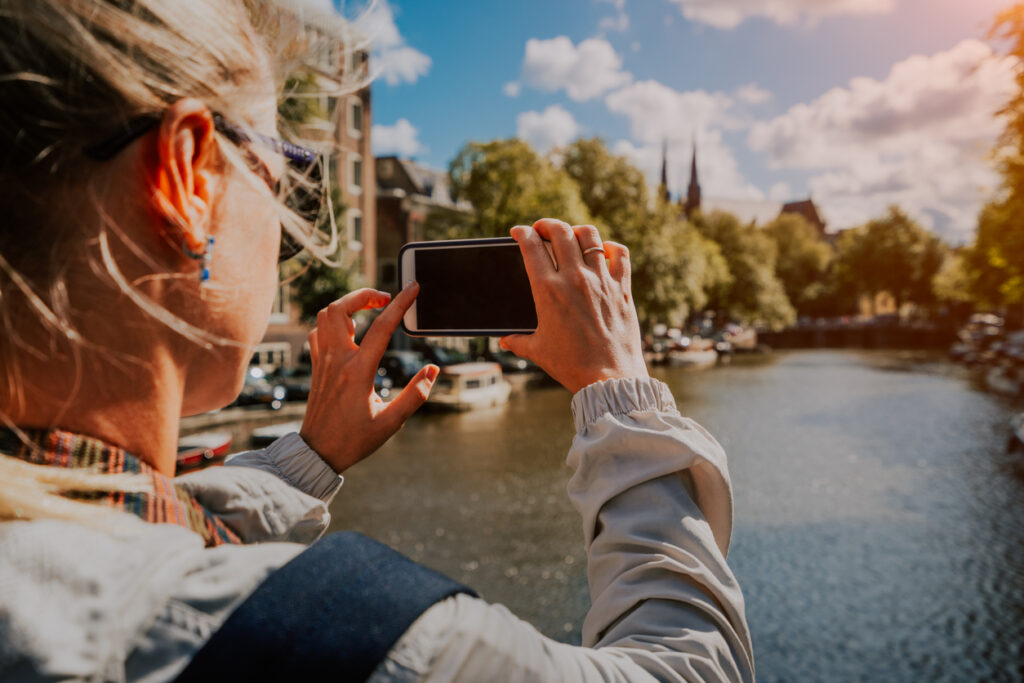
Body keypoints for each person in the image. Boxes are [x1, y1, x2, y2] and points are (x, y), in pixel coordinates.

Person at [0, 0, 754, 680]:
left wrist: (307, 459)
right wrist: (620, 390)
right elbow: (693, 668)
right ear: (189, 178)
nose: (295, 228)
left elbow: (131, 526)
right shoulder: (365, 644)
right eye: (289, 175)